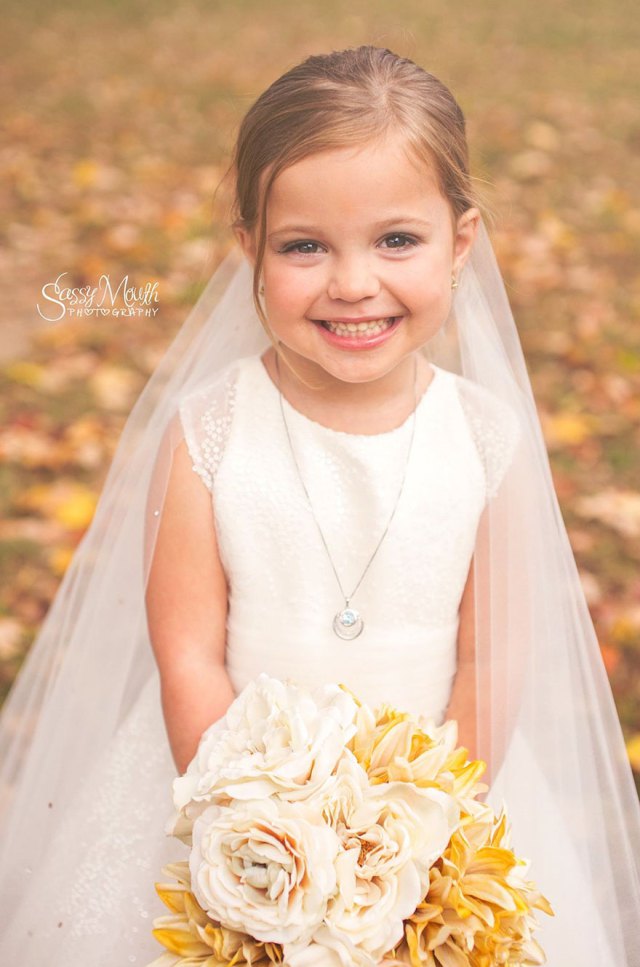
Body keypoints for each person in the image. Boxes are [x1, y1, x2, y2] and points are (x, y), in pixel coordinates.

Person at [0, 45, 638, 967]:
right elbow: (186, 652)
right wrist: (247, 827)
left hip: (436, 811)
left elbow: (488, 654)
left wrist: (430, 841)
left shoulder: (485, 438)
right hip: (222, 806)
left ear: (460, 243)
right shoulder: (210, 431)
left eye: (396, 240)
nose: (352, 282)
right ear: (250, 247)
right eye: (306, 245)